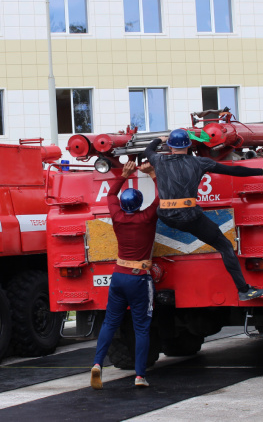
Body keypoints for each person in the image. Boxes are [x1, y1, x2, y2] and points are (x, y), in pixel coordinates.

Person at [144, 129, 263, 301]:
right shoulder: (200, 162)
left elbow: (147, 151)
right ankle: (244, 290)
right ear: (189, 146)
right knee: (225, 246)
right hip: (190, 217)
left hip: (165, 216)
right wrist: (262, 172)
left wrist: (157, 139)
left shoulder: (158, 160)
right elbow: (233, 171)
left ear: (169, 147)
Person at [91, 160, 159, 390]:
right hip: (139, 277)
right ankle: (140, 376)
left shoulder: (117, 217)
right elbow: (163, 197)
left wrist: (123, 174)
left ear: (122, 204)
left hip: (118, 276)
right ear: (140, 204)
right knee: (141, 327)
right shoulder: (147, 217)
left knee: (110, 322)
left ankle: (98, 364)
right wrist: (152, 174)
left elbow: (110, 194)